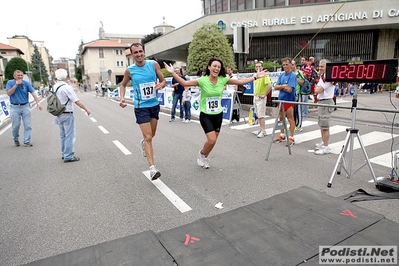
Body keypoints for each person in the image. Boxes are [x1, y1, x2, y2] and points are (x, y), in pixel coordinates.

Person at [164, 58, 268, 169]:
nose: (216, 68)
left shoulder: (223, 79)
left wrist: (255, 77)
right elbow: (184, 83)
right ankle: (201, 154)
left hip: (218, 114)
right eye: (214, 66)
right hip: (206, 115)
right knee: (211, 139)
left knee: (213, 142)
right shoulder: (202, 80)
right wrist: (173, 73)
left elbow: (239, 82)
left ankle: (204, 157)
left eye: (218, 67)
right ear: (209, 67)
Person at [119, 43, 166, 180]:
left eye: (140, 51)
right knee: (148, 137)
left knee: (152, 134)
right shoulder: (130, 70)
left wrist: (160, 85)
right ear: (132, 55)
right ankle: (152, 168)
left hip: (154, 105)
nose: (139, 54)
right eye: (136, 52)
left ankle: (144, 143)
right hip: (141, 107)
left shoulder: (153, 65)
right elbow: (122, 84)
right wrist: (122, 98)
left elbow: (163, 81)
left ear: (144, 52)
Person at [53, 69, 91, 162]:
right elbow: (76, 100)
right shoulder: (66, 87)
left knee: (63, 135)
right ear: (66, 77)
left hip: (58, 113)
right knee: (69, 135)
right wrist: (86, 109)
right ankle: (68, 156)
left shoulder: (54, 86)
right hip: (67, 113)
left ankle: (64, 153)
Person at [6, 70, 43, 147]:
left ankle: (27, 140)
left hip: (25, 106)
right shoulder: (10, 83)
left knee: (28, 125)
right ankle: (15, 138)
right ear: (14, 76)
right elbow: (9, 93)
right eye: (18, 75)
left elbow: (33, 93)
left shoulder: (26, 83)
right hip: (15, 107)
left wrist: (38, 102)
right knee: (16, 125)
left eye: (21, 75)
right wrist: (16, 85)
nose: (20, 77)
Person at [273, 57, 297, 146]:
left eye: (287, 64)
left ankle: (291, 137)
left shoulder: (293, 75)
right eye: (284, 65)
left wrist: (281, 86)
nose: (285, 66)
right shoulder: (281, 75)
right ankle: (282, 134)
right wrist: (283, 86)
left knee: (290, 119)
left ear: (291, 65)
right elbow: (275, 87)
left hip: (289, 100)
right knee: (281, 118)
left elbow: (290, 89)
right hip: (281, 100)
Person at [314, 59, 335, 155]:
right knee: (322, 125)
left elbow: (318, 89)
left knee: (325, 126)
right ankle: (323, 143)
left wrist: (318, 89)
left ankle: (326, 147)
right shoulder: (323, 76)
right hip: (322, 102)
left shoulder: (329, 77)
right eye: (319, 66)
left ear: (327, 67)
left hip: (326, 102)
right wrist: (318, 89)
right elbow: (316, 89)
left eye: (322, 66)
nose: (320, 68)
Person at [251, 61, 272, 138]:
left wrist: (264, 94)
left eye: (259, 66)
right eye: (257, 66)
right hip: (256, 96)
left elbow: (269, 86)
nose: (258, 68)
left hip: (261, 98)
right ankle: (261, 129)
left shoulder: (265, 76)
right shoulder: (256, 76)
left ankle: (263, 130)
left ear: (262, 67)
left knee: (261, 115)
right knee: (257, 114)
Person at [291, 60, 305, 132]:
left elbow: (302, 82)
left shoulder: (299, 72)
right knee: (292, 110)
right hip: (291, 93)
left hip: (298, 93)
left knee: (298, 110)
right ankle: (293, 124)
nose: (291, 66)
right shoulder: (288, 73)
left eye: (293, 64)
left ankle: (299, 125)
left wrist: (295, 78)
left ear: (295, 65)